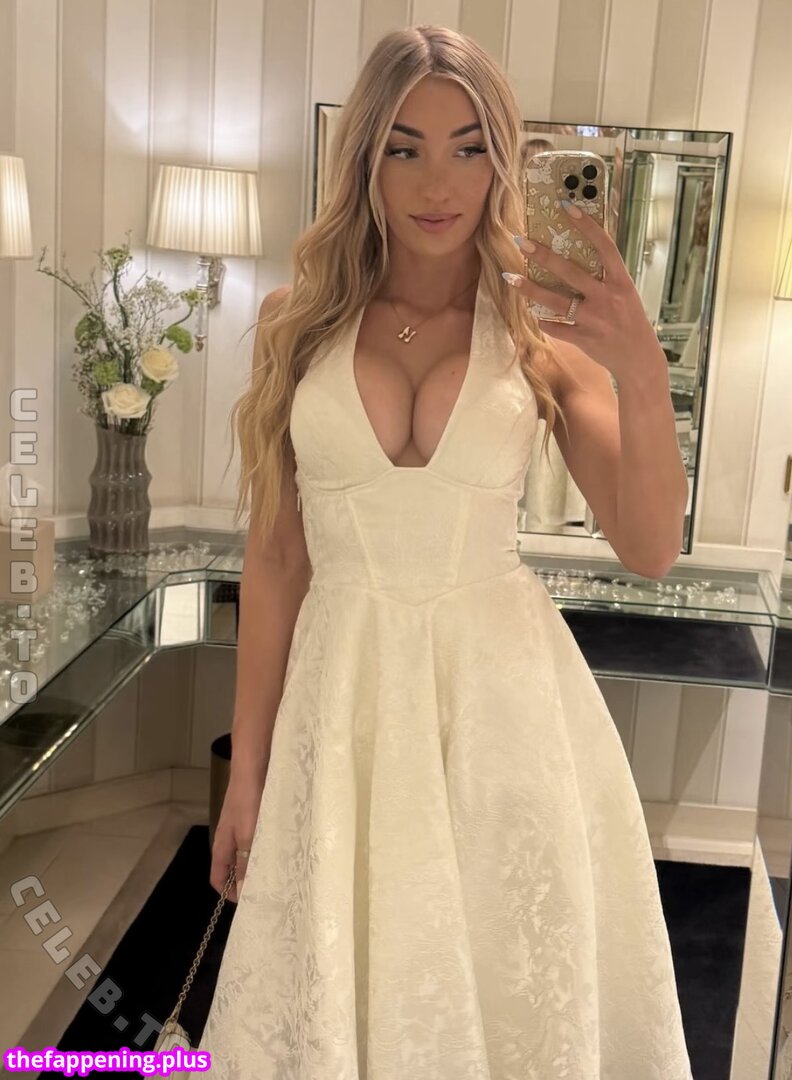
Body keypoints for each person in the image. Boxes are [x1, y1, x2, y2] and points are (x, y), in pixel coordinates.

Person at [192, 23, 693, 1080]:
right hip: (345, 698)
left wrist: (641, 372)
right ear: (364, 159)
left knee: (505, 981)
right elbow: (277, 562)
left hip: (501, 709)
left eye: (469, 148)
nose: (437, 183)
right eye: (404, 147)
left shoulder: (539, 330)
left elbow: (650, 547)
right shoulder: (297, 322)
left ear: (502, 162)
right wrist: (247, 774)